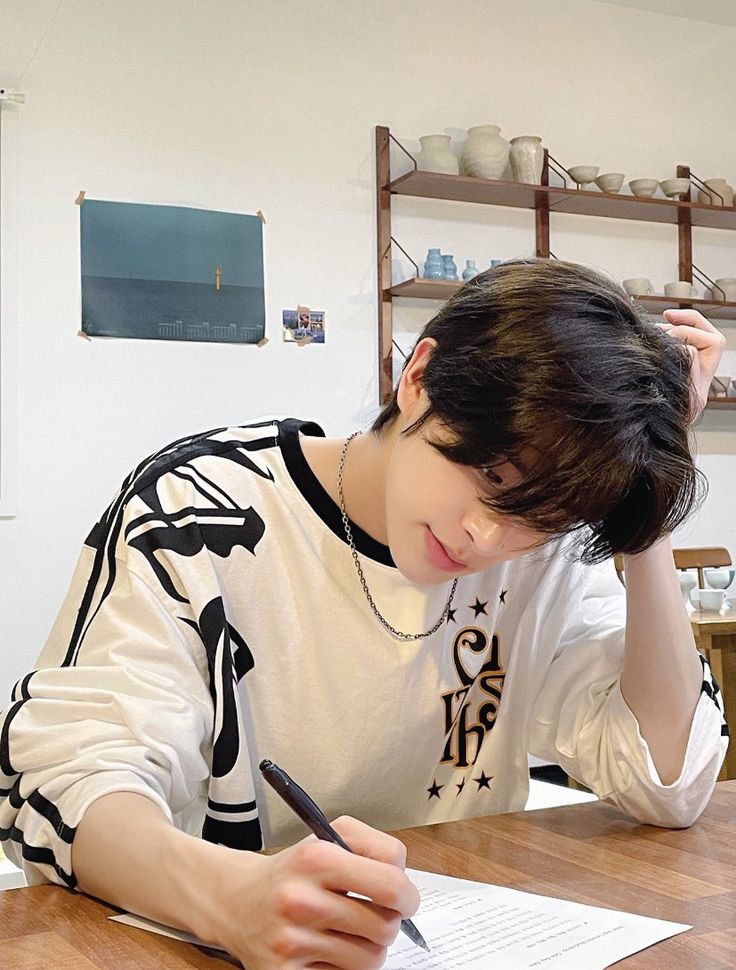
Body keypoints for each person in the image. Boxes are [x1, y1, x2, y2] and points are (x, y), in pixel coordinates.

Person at [0, 259, 728, 969]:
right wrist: (229, 898)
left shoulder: (546, 552)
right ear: (419, 378)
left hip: (458, 935)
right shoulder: (204, 510)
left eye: (545, 515)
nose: (490, 537)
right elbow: (65, 781)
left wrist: (647, 497)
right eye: (491, 477)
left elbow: (666, 781)